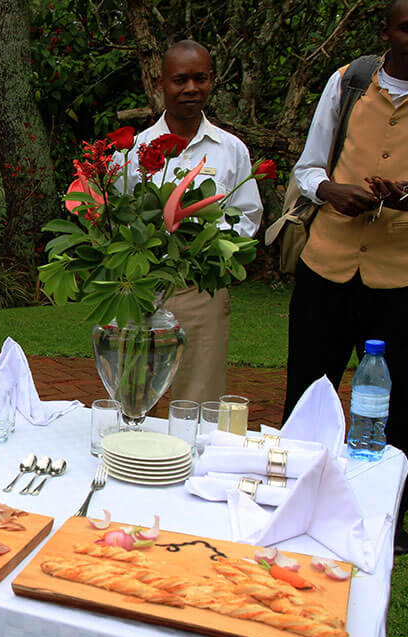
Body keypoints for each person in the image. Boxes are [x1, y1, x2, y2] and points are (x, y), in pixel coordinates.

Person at [283, 0, 408, 555]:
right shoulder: (348, 82)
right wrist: (328, 191)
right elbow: (309, 166)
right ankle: (295, 493)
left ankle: (389, 511)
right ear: (385, 29)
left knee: (397, 396)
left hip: (402, 274)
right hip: (327, 264)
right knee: (309, 388)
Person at [121, 40, 263, 404]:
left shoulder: (230, 149)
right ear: (159, 84)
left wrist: (208, 248)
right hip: (142, 288)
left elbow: (248, 215)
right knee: (137, 396)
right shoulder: (133, 151)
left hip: (202, 289)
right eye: (180, 80)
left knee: (199, 400)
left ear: (211, 80)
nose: (190, 89)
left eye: (200, 79)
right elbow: (114, 217)